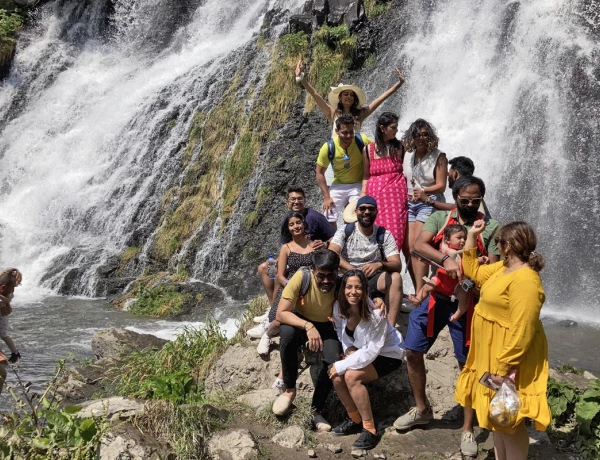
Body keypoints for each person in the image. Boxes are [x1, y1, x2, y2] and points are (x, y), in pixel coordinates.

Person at [394, 176, 500, 458]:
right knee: (412, 351)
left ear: (481, 199)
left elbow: (496, 267)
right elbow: (418, 245)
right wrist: (446, 259)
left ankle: (468, 427)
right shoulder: (440, 217)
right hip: (435, 298)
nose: (468, 204)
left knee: (468, 363)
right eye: (464, 199)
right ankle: (422, 409)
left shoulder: (490, 227)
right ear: (455, 196)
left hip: (468, 303)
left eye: (474, 200)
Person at [455, 220, 549, 460]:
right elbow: (474, 272)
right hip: (492, 350)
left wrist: (504, 365)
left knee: (510, 419)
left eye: (498, 242)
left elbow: (523, 328)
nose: (495, 246)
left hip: (508, 355)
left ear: (508, 245)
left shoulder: (525, 280)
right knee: (498, 417)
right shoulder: (504, 268)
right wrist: (472, 237)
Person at [329, 270, 405, 450]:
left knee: (350, 376)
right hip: (361, 351)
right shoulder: (339, 307)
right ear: (343, 289)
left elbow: (372, 350)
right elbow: (342, 333)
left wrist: (343, 363)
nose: (352, 292)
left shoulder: (376, 313)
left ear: (365, 290)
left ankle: (370, 429)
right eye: (348, 287)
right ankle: (354, 419)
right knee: (336, 376)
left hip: (387, 353)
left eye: (358, 287)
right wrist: (349, 350)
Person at [273, 249, 343, 430]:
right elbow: (281, 313)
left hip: (327, 325)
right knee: (287, 335)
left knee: (333, 359)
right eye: (321, 276)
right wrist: (308, 326)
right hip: (300, 319)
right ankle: (289, 390)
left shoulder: (342, 283)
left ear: (337, 272)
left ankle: (316, 410)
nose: (326, 281)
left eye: (331, 276)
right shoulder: (301, 277)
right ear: (313, 270)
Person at [329, 196, 403, 326]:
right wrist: (352, 269)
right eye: (362, 209)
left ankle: (390, 328)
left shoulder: (384, 234)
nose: (367, 212)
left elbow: (397, 264)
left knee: (396, 277)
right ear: (356, 211)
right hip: (347, 278)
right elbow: (332, 253)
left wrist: (380, 264)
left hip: (372, 280)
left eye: (371, 209)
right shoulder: (345, 230)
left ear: (376, 212)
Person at [256, 187, 335, 308]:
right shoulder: (286, 221)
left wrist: (325, 244)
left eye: (299, 199)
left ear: (305, 201)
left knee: (278, 278)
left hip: (312, 260)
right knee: (265, 268)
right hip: (293, 258)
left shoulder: (315, 217)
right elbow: (286, 246)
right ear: (287, 203)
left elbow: (335, 236)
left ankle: (279, 306)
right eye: (292, 199)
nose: (296, 202)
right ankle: (273, 306)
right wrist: (275, 261)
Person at [255, 212, 314, 366]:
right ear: (288, 228)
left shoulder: (313, 244)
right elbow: (280, 276)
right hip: (290, 288)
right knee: (278, 319)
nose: (296, 226)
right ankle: (267, 335)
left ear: (303, 223)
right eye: (292, 224)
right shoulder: (286, 248)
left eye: (298, 222)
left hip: (310, 288)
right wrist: (293, 287)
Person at [295, 60, 405, 137]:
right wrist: (301, 78)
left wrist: (399, 84)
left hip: (355, 157)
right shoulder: (333, 113)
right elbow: (315, 95)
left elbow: (381, 99)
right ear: (340, 98)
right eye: (346, 94)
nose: (349, 97)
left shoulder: (360, 114)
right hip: (337, 157)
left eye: (352, 95)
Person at [401, 119, 448, 288]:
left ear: (430, 135)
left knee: (418, 247)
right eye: (417, 135)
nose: (421, 138)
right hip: (410, 203)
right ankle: (417, 289)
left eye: (424, 134)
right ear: (411, 137)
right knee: (408, 248)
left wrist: (424, 192)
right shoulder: (408, 155)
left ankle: (422, 294)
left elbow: (441, 186)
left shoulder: (439, 156)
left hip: (430, 203)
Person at [361, 112, 408, 248]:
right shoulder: (368, 149)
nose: (396, 130)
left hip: (396, 200)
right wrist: (363, 195)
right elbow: (365, 175)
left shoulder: (400, 147)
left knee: (395, 233)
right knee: (374, 234)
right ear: (382, 128)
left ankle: (392, 265)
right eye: (393, 127)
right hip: (375, 199)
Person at [407, 224, 470, 323]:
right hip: (440, 280)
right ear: (447, 240)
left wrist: (481, 259)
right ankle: (418, 299)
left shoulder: (465, 252)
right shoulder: (442, 250)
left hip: (457, 285)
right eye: (459, 238)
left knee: (465, 298)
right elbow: (432, 257)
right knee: (427, 287)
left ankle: (459, 313)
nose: (463, 241)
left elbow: (472, 262)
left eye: (465, 238)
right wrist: (427, 260)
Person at [316, 115, 370, 227]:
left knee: (356, 212)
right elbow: (319, 172)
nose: (349, 135)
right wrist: (326, 197)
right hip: (338, 184)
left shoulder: (362, 140)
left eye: (351, 132)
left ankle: (351, 236)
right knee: (327, 213)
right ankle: (333, 239)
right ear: (336, 131)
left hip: (358, 183)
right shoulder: (328, 147)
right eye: (345, 132)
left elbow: (377, 152)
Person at [420, 156, 492, 217]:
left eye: (450, 172)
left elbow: (457, 208)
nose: (447, 175)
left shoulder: (466, 188)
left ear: (455, 174)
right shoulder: (471, 186)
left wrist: (428, 200)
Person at [0, 268, 22, 394]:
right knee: (4, 335)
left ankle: (15, 353)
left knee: (3, 335)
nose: (13, 291)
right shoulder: (6, 293)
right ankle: (15, 353)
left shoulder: (7, 295)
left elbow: (6, 302)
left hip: (2, 318)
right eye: (12, 287)